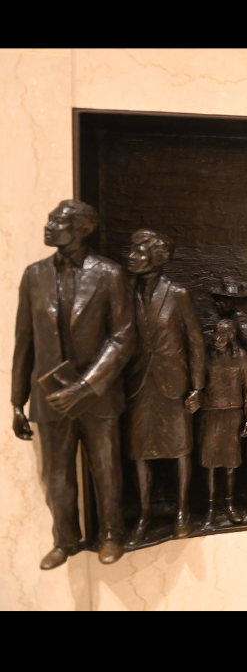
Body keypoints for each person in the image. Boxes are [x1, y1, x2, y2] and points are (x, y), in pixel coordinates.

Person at [11, 200, 135, 568]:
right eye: (50, 218)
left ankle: (112, 535)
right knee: (57, 473)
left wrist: (87, 385)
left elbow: (123, 337)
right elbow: (24, 341)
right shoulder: (34, 276)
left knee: (106, 469)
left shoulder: (109, 274)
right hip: (50, 398)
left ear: (81, 229)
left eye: (58, 221)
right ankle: (65, 540)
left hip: (97, 395)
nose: (48, 225)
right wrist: (17, 401)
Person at [123, 229, 204, 546]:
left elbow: (196, 342)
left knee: (180, 449)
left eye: (138, 251)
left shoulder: (178, 293)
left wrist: (197, 386)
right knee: (139, 451)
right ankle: (144, 514)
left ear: (157, 258)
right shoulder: (124, 292)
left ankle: (182, 511)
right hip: (138, 383)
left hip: (174, 383)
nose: (130, 256)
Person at [200, 319, 247, 526]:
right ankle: (211, 508)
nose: (217, 338)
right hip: (210, 414)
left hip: (232, 414)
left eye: (223, 335)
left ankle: (229, 505)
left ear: (231, 337)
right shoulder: (205, 355)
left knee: (230, 464)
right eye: (215, 333)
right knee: (210, 464)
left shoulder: (241, 358)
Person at [210, 277, 247, 353]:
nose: (217, 303)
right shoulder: (232, 320)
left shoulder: (242, 325)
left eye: (221, 300)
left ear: (232, 302)